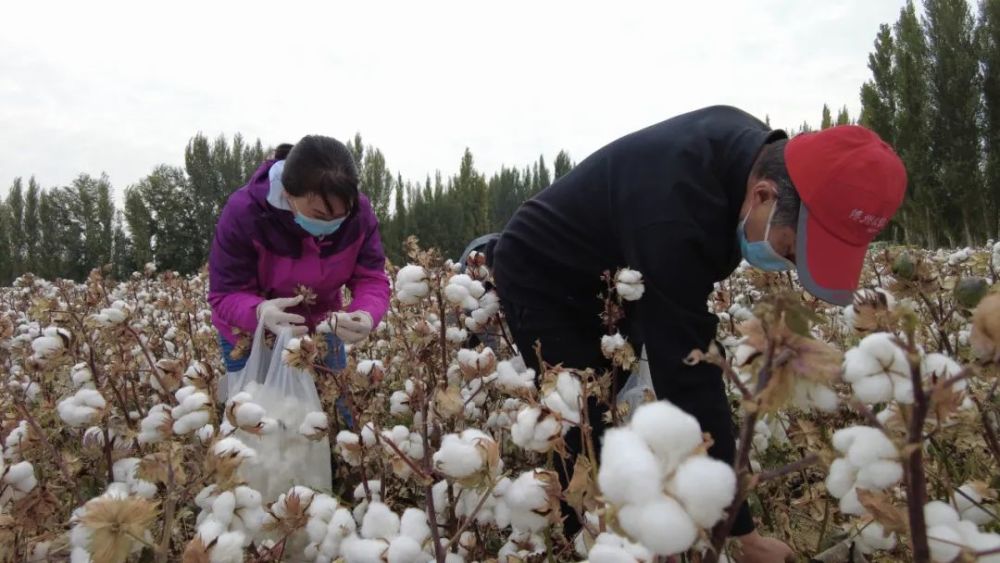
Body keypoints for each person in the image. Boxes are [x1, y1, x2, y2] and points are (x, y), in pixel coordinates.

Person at [489, 105, 906, 562]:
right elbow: (687, 367)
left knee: (617, 397)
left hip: (613, 275)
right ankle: (580, 543)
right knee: (584, 420)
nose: (788, 266)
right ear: (763, 196)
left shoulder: (750, 157)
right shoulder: (676, 212)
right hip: (542, 273)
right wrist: (740, 533)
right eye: (791, 250)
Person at [208, 135, 391, 389]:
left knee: (335, 401)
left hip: (323, 327)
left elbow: (371, 278)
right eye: (319, 215)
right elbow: (225, 293)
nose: (330, 224)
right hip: (249, 333)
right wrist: (259, 313)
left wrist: (366, 313)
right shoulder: (245, 213)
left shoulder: (360, 214)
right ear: (287, 194)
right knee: (257, 407)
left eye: (341, 215)